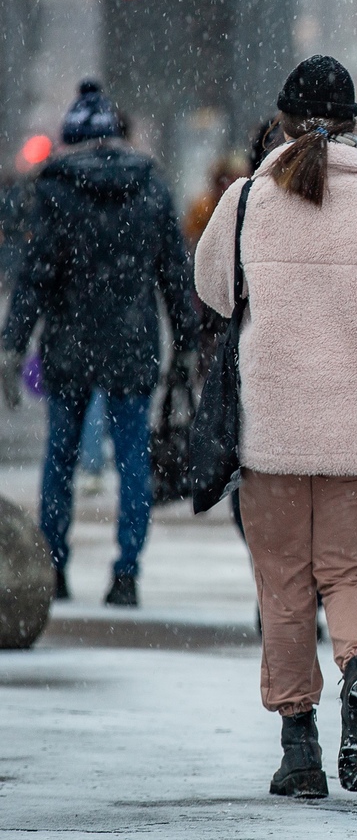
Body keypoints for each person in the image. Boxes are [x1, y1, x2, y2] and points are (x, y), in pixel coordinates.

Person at [194, 55, 357, 800]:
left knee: (284, 586)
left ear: (284, 118)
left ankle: (298, 746)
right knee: (353, 574)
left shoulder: (244, 200)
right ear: (356, 119)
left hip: (270, 426)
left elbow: (214, 290)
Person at [0, 79, 199, 606]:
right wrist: (187, 341)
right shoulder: (151, 187)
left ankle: (54, 569)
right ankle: (127, 573)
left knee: (60, 458)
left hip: (70, 345)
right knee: (133, 460)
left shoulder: (56, 191)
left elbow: (35, 278)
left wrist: (12, 344)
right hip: (133, 343)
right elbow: (175, 274)